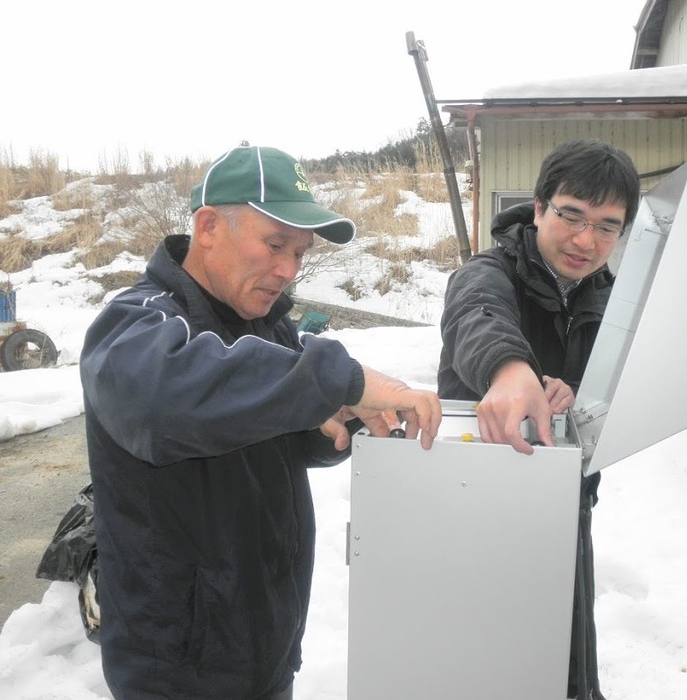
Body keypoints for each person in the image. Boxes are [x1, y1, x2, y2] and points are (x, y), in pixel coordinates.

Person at [80, 144, 442, 700]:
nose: (287, 270)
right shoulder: (137, 322)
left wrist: (338, 421)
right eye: (275, 245)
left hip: (266, 649)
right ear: (207, 227)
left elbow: (284, 435)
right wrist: (336, 381)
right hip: (178, 671)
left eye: (299, 254)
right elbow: (158, 401)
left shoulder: (269, 329)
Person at [437, 139, 640, 700]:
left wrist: (585, 396)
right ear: (538, 207)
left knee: (565, 658)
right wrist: (509, 370)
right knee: (484, 661)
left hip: (565, 505)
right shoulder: (490, 270)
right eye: (571, 214)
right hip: (476, 505)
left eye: (607, 226)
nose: (585, 240)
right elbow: (475, 314)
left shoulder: (610, 300)